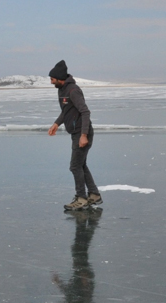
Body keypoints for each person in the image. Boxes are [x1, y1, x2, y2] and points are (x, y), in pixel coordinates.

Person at [47, 60, 102, 211]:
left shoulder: (73, 91)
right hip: (76, 132)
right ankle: (94, 195)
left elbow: (85, 112)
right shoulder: (62, 90)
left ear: (59, 78)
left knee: (75, 166)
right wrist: (56, 124)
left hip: (82, 133)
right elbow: (66, 111)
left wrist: (84, 135)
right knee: (81, 165)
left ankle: (81, 198)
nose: (51, 82)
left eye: (52, 79)